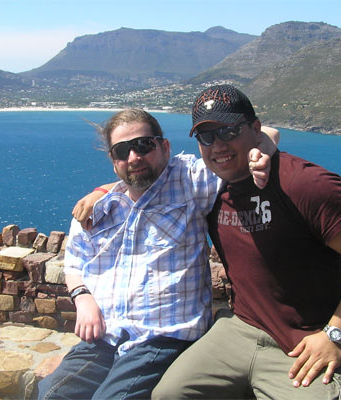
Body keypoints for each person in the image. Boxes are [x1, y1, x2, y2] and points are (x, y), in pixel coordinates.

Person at [151, 84, 341, 399]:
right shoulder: (212, 189)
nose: (218, 145)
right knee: (168, 395)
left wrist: (335, 336)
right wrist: (103, 194)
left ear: (255, 128)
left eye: (229, 131)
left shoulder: (303, 183)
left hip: (306, 340)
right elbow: (145, 180)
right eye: (206, 137)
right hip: (240, 329)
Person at [37, 108, 277, 400]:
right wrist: (82, 298)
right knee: (51, 394)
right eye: (122, 151)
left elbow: (269, 134)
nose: (134, 157)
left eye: (143, 145)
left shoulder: (190, 180)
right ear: (114, 162)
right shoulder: (97, 209)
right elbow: (74, 260)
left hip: (162, 337)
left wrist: (258, 154)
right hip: (105, 336)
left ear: (165, 147)